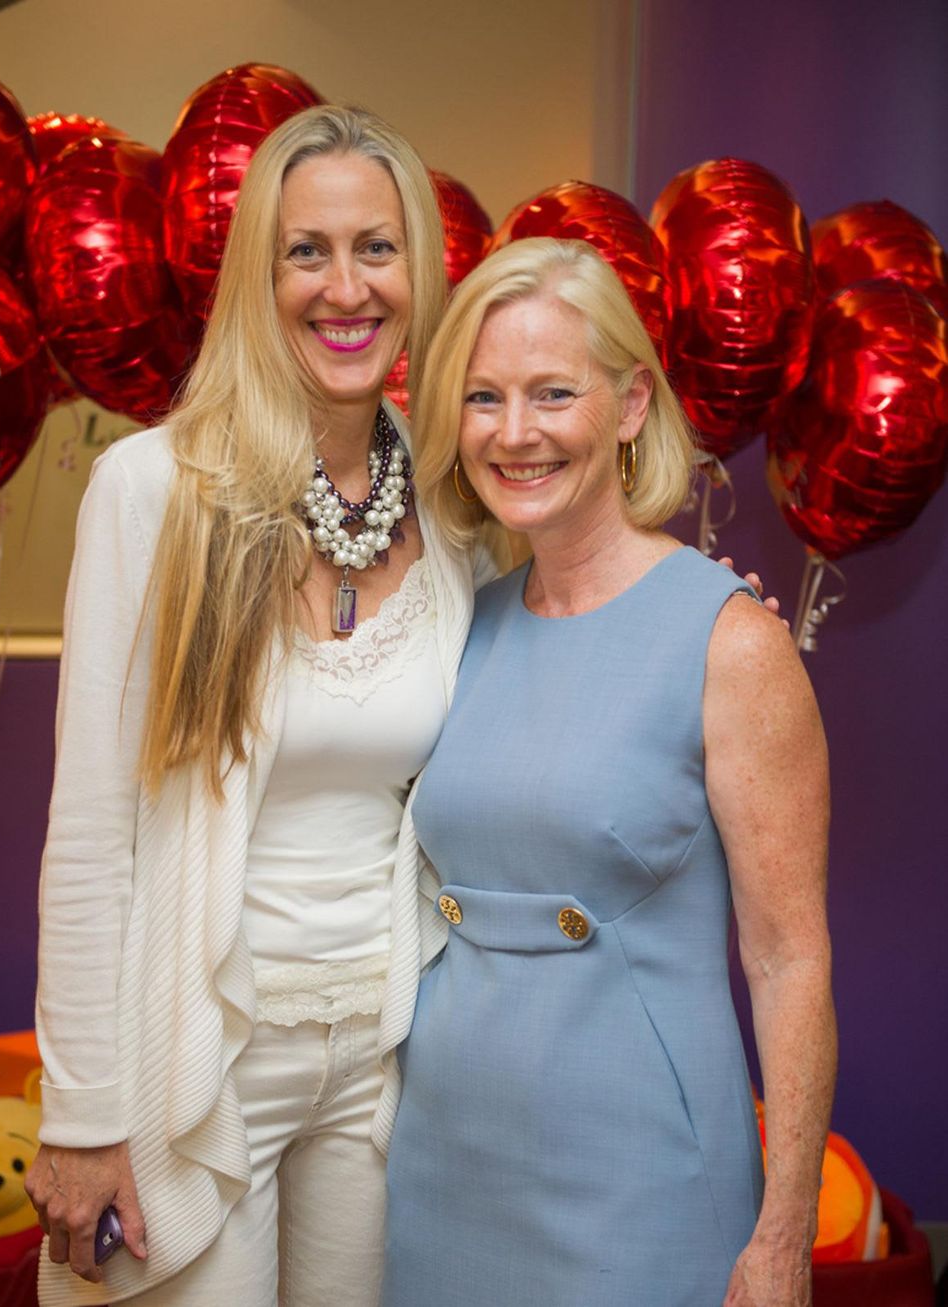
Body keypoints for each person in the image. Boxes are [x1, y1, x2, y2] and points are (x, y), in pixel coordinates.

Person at [23, 104, 499, 1307]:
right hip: (195, 1063)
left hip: (377, 1058)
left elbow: (573, 618)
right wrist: (82, 1111)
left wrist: (714, 612)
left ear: (419, 270)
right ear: (259, 273)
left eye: (376, 248)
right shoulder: (154, 491)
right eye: (307, 250)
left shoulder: (451, 505)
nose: (346, 288)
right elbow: (90, 828)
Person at [382, 238, 836, 1307]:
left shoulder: (728, 640)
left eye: (552, 393)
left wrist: (784, 1236)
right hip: (443, 1165)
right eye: (483, 397)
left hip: (639, 1174)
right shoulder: (455, 626)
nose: (514, 432)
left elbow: (788, 960)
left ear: (630, 404)